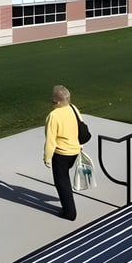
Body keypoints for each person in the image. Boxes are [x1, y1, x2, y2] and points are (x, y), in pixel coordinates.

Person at [44, 84, 82, 221]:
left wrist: (47, 158)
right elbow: (80, 128)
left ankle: (69, 213)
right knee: (64, 179)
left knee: (62, 182)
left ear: (58, 101)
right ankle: (68, 208)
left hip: (61, 154)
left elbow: (50, 140)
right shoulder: (74, 108)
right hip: (75, 151)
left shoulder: (54, 116)